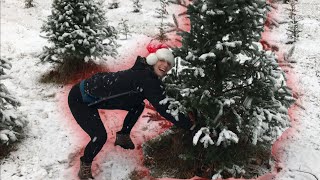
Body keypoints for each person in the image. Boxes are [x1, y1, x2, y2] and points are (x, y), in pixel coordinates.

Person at [68, 47, 195, 179]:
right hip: (80, 99)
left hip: (96, 96)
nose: (165, 65)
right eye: (162, 60)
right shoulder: (148, 79)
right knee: (99, 136)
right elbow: (164, 108)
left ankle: (123, 136)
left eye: (169, 64)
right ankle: (85, 166)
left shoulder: (145, 71)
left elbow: (161, 96)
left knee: (138, 105)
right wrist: (189, 125)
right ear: (154, 60)